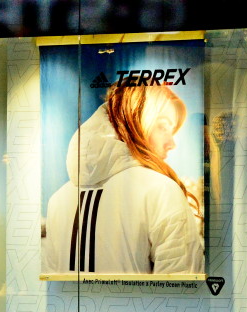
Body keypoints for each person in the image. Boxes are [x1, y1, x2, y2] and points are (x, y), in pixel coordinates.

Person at [44, 82, 204, 275]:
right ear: (134, 121)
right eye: (163, 127)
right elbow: (181, 289)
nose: (172, 143)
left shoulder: (57, 200)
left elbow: (56, 288)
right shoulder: (162, 191)